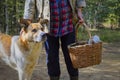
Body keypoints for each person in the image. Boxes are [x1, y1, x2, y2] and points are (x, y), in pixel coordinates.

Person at [23, 0, 86, 80]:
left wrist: (79, 10)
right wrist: (27, 21)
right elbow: (30, 3)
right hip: (47, 25)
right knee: (52, 57)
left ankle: (74, 77)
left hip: (68, 22)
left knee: (71, 56)